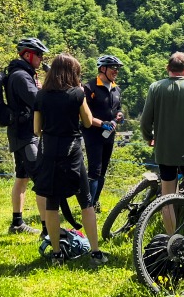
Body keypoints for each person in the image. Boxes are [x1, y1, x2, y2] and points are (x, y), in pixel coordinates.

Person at [33, 53, 108, 265]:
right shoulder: (77, 94)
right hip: (71, 152)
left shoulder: (41, 95)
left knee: (52, 203)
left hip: (48, 152)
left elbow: (36, 129)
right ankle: (95, 252)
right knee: (85, 202)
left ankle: (57, 254)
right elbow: (86, 122)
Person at [139, 51, 184, 203]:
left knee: (167, 197)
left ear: (168, 68)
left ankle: (171, 228)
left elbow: (145, 121)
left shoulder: (155, 88)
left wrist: (149, 137)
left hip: (165, 152)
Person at [5, 37, 49, 235]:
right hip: (25, 136)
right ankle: (47, 230)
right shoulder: (22, 76)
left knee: (22, 177)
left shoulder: (22, 74)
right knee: (41, 179)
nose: (41, 58)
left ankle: (17, 224)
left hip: (20, 133)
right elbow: (37, 101)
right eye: (38, 54)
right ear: (27, 54)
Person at [82, 55, 124, 212]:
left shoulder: (116, 88)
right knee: (94, 170)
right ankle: (88, 205)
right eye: (113, 67)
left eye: (117, 68)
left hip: (109, 135)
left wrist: (119, 115)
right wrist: (102, 124)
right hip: (93, 134)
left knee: (103, 170)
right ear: (102, 68)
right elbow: (84, 115)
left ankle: (95, 201)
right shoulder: (90, 88)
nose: (116, 71)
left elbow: (118, 108)